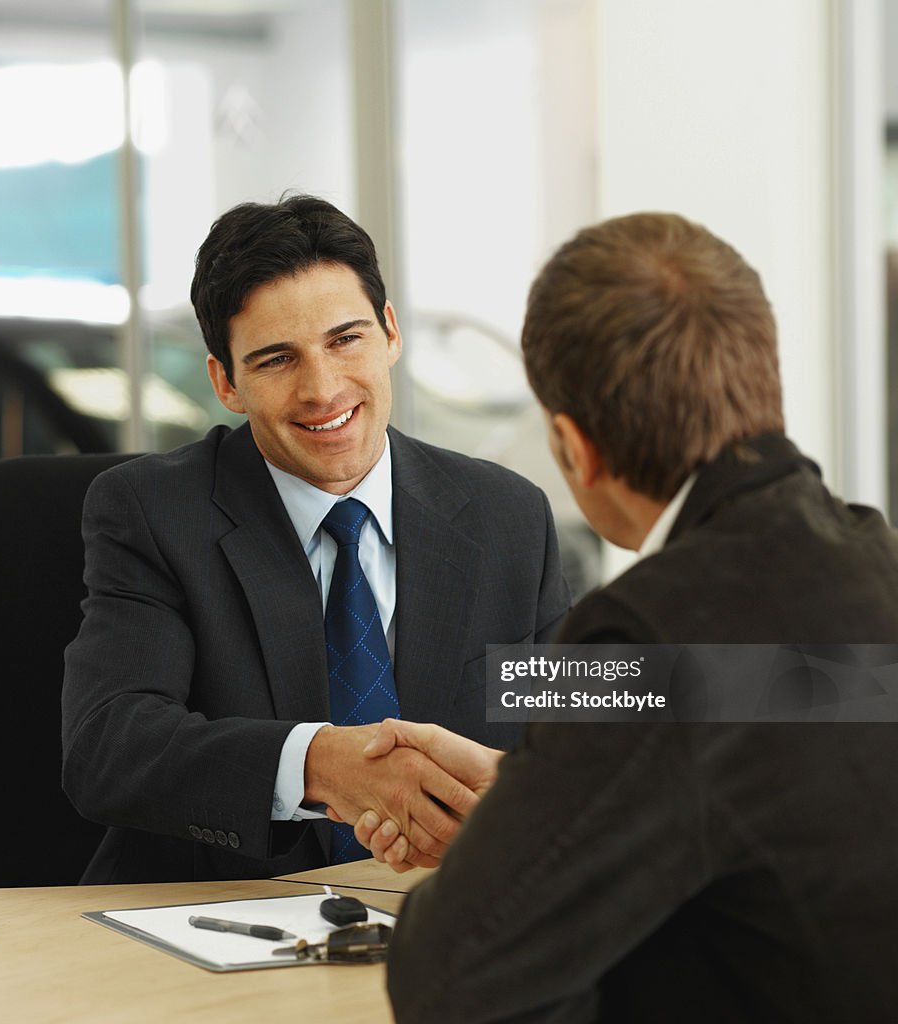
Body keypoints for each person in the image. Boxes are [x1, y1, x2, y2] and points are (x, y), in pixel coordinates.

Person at [380, 212, 898, 1022]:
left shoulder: (646, 628)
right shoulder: (869, 557)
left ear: (572, 448)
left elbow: (448, 978)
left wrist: (521, 830)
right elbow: (776, 741)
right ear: (763, 376)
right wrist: (542, 797)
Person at [60, 194, 571, 883]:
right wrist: (321, 765)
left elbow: (580, 721)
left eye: (345, 339)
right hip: (212, 928)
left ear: (390, 332)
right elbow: (109, 746)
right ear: (225, 382)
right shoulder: (150, 513)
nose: (323, 389)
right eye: (276, 359)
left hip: (442, 927)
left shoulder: (508, 515)